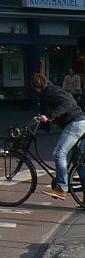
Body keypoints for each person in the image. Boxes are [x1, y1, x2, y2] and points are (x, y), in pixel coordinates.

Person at [33, 72, 85, 200]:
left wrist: (50, 116)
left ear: (36, 86)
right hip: (80, 122)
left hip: (75, 123)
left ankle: (62, 188)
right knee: (77, 160)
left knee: (59, 153)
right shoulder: (53, 90)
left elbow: (67, 104)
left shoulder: (50, 92)